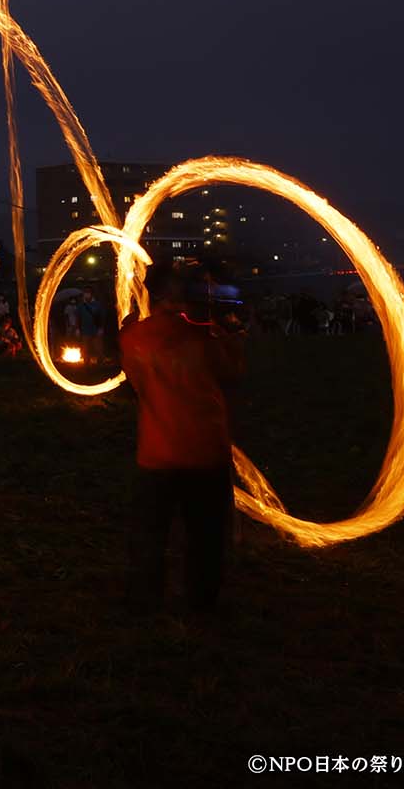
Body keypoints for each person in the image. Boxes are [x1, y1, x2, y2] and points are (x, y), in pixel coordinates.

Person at [119, 260, 246, 615]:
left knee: (149, 535)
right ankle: (201, 607)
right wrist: (232, 334)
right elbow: (233, 373)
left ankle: (145, 603)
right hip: (206, 453)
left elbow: (134, 384)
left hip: (157, 454)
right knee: (206, 538)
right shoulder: (205, 335)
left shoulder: (133, 337)